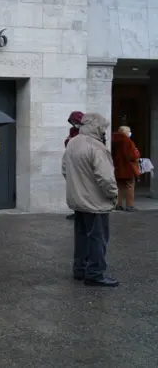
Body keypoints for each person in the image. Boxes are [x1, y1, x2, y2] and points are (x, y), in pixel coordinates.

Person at [62, 113, 119, 287]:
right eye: (104, 128)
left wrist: (77, 187)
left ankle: (80, 269)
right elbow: (106, 178)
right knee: (97, 238)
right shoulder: (96, 147)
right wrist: (113, 194)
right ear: (98, 127)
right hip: (95, 202)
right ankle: (95, 273)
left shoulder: (73, 142)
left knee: (81, 236)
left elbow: (65, 169)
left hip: (78, 200)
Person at [111, 126, 140, 212]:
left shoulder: (114, 140)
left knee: (119, 187)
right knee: (129, 186)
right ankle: (129, 206)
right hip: (128, 168)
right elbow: (131, 155)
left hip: (118, 168)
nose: (130, 133)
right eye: (129, 131)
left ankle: (118, 204)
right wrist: (137, 154)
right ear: (125, 132)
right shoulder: (128, 141)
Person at [64, 111, 84, 220]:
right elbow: (67, 142)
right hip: (73, 161)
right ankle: (77, 211)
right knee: (75, 188)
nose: (74, 124)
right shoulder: (72, 131)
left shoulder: (85, 131)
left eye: (75, 122)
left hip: (82, 162)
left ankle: (83, 211)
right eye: (72, 122)